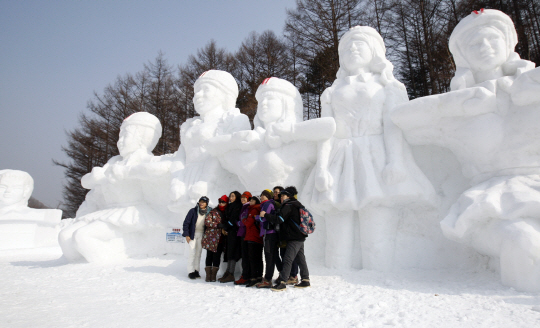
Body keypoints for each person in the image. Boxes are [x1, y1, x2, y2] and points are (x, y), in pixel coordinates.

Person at [391, 9, 540, 292]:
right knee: (523, 242)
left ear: (508, 43)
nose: (485, 47)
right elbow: (401, 117)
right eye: (475, 44)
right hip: (494, 201)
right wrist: (461, 102)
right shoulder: (462, 104)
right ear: (464, 56)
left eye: (491, 39)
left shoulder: (532, 85)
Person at [301, 26, 435, 271]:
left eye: (359, 44)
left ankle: (378, 277)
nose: (352, 49)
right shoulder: (331, 92)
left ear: (374, 51)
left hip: (376, 157)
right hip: (339, 160)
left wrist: (395, 160)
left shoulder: (388, 87)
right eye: (347, 47)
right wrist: (322, 168)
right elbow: (326, 133)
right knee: (337, 233)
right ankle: (335, 277)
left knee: (377, 228)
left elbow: (393, 126)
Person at [58, 112, 173, 262]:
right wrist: (94, 177)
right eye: (120, 136)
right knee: (64, 236)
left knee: (82, 237)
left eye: (126, 136)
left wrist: (127, 173)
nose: (120, 141)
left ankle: (111, 260)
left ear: (143, 139)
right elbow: (86, 182)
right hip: (109, 211)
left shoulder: (144, 160)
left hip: (130, 213)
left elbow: (161, 171)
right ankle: (76, 264)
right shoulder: (114, 162)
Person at [169, 70, 251, 213]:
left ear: (224, 93)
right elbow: (181, 155)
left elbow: (223, 153)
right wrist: (176, 181)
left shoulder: (233, 119)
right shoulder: (190, 125)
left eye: (205, 90)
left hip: (215, 181)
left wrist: (206, 181)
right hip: (186, 180)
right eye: (196, 92)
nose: (198, 96)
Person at [262, 186, 310, 291]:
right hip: (299, 235)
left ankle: (282, 282)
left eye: (283, 195)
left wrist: (265, 214)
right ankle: (305, 279)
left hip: (294, 237)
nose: (281, 197)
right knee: (300, 258)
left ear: (288, 196)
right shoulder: (297, 204)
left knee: (288, 259)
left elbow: (279, 219)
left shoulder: (288, 205)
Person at [182, 196, 211, 279]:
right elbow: (186, 223)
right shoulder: (193, 211)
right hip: (192, 235)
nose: (201, 203)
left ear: (206, 204)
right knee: (192, 252)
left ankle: (196, 270)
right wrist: (187, 235)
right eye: (200, 201)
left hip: (202, 235)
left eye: (203, 202)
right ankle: (190, 271)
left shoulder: (208, 212)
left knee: (198, 253)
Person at [255, 189, 279, 288]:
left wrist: (256, 217)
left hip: (269, 232)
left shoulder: (267, 204)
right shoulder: (270, 204)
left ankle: (268, 279)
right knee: (272, 256)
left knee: (269, 257)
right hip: (271, 233)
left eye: (263, 195)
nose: (261, 197)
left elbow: (263, 218)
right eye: (261, 195)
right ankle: (270, 277)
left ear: (268, 196)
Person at [201, 195, 228, 282]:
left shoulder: (227, 213)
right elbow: (207, 222)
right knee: (209, 256)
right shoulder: (213, 211)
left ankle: (213, 275)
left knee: (217, 257)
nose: (221, 203)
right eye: (220, 201)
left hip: (220, 239)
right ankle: (208, 275)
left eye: (223, 202)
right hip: (211, 238)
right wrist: (218, 225)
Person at [218, 191, 243, 283]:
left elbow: (233, 219)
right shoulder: (230, 206)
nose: (231, 198)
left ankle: (231, 273)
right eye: (230, 196)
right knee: (229, 252)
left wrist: (225, 226)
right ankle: (228, 272)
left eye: (233, 196)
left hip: (234, 232)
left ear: (237, 197)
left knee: (232, 253)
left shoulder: (237, 206)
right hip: (230, 232)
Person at [244, 195, 263, 287]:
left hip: (252, 236)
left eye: (252, 200)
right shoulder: (258, 209)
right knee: (258, 258)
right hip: (258, 237)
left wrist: (243, 219)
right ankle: (259, 276)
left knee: (252, 258)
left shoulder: (254, 210)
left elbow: (248, 223)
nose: (250, 202)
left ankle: (253, 278)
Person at [234, 191, 252, 285]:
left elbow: (244, 221)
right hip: (243, 234)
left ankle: (245, 276)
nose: (243, 199)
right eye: (242, 198)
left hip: (246, 234)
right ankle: (245, 275)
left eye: (245, 198)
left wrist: (238, 223)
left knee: (246, 256)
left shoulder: (247, 207)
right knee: (245, 256)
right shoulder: (244, 207)